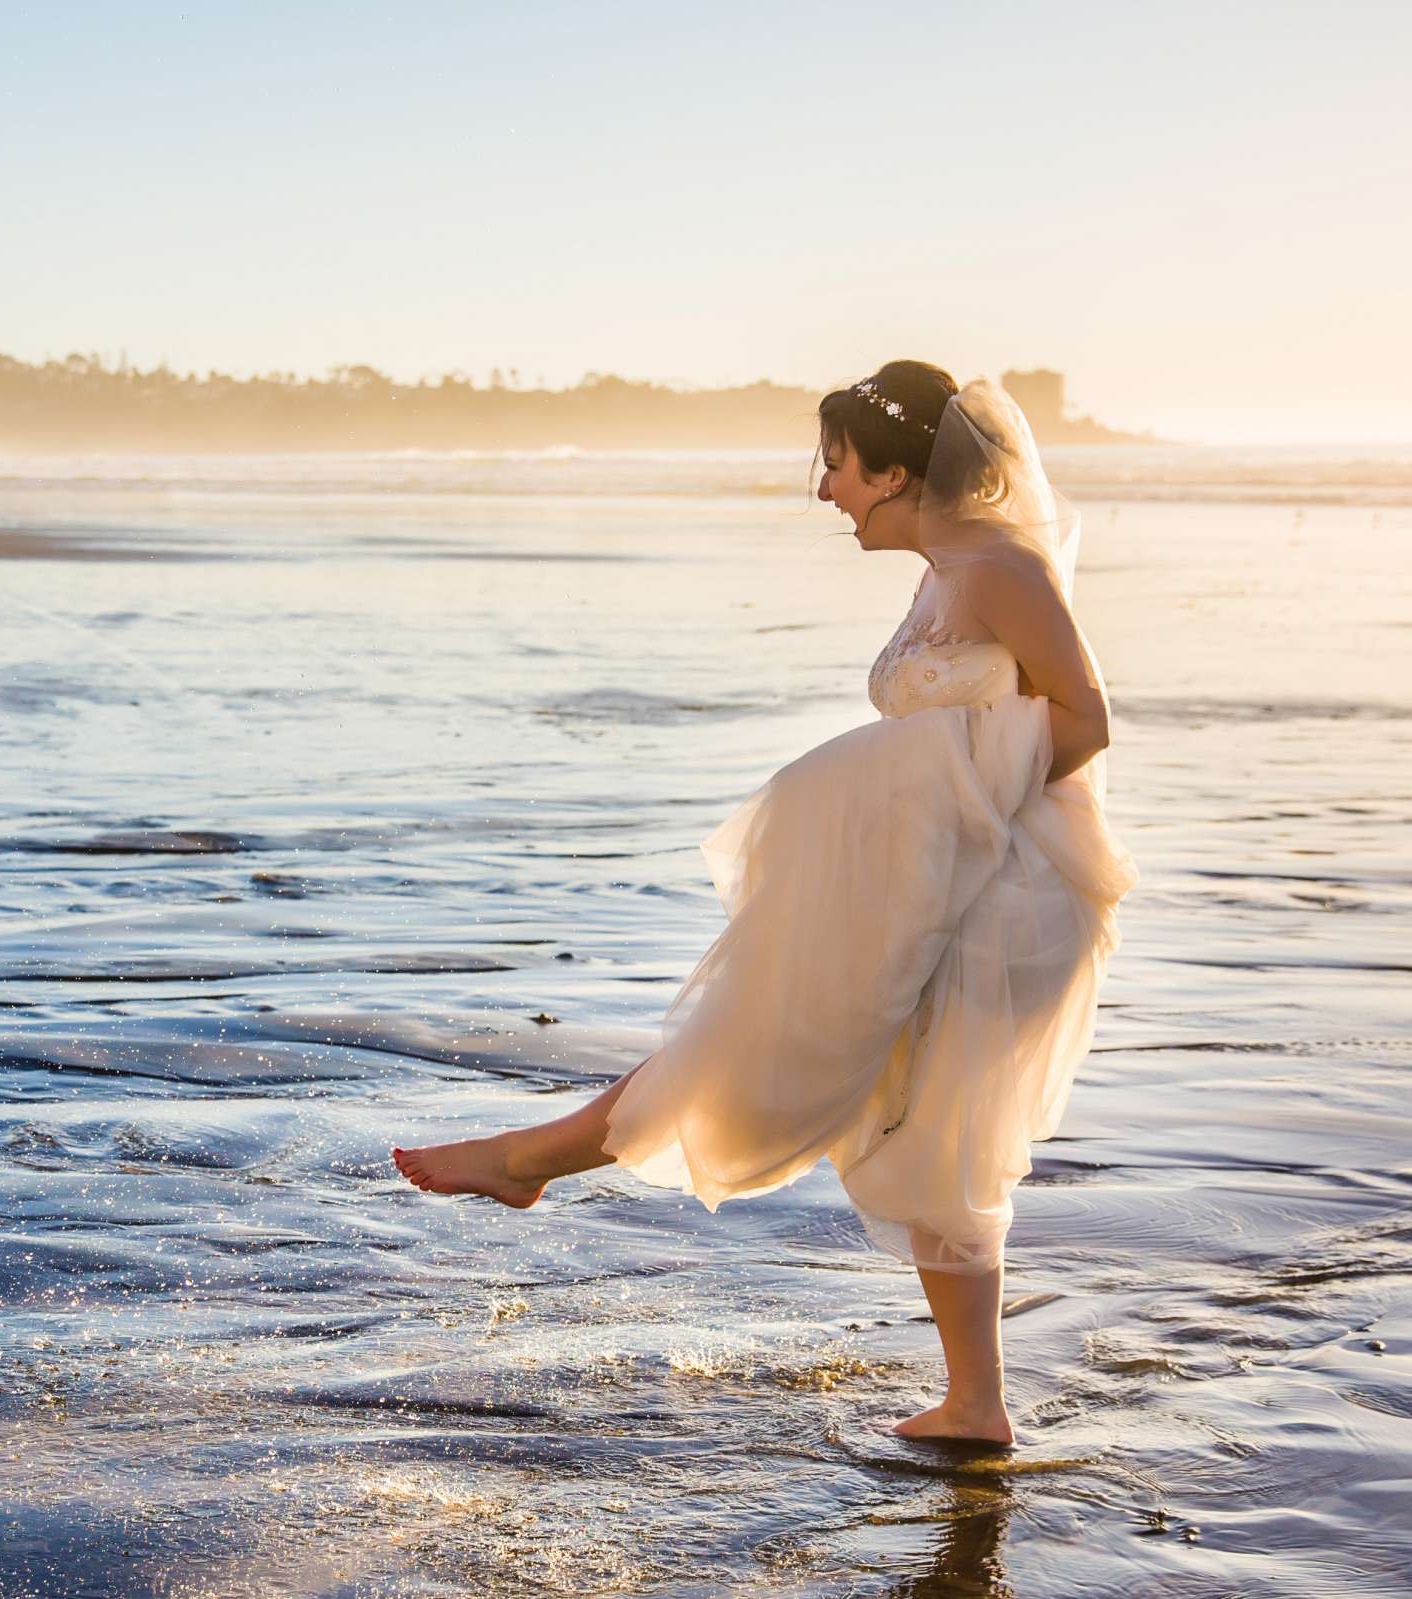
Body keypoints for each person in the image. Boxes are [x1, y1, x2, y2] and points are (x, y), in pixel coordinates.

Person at [393, 363, 1133, 1447]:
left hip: (1008, 891)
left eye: (834, 464)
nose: (824, 490)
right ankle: (977, 1405)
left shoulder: (1001, 564)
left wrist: (938, 789)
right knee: (887, 1102)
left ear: (892, 469)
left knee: (833, 1071)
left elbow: (1088, 721)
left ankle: (528, 1162)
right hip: (940, 867)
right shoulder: (942, 573)